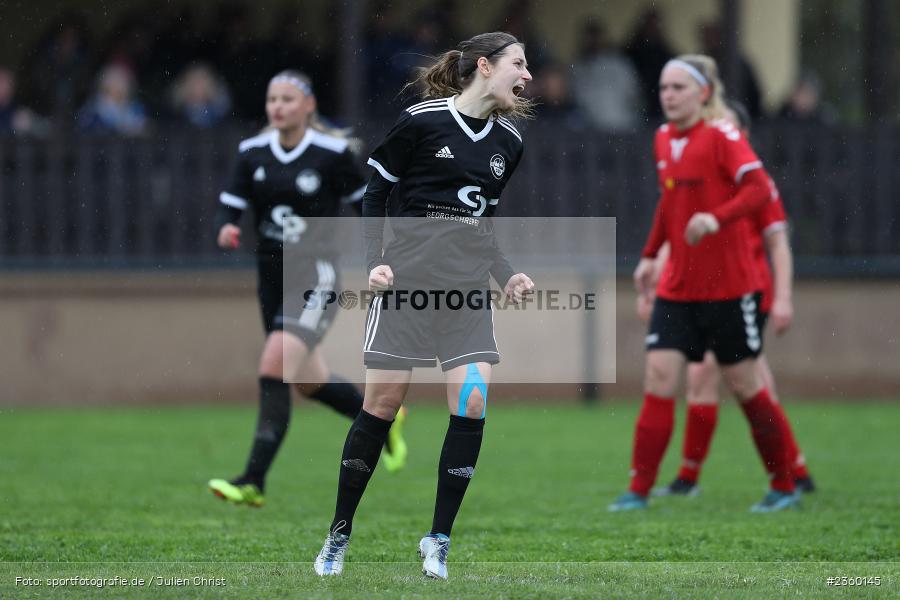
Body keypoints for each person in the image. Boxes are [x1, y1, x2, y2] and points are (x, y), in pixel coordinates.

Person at [313, 32, 535, 580]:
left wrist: (508, 275)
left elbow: (481, 227)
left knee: (474, 403)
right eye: (519, 64)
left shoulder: (509, 143)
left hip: (464, 296)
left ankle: (437, 540)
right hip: (405, 289)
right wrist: (374, 262)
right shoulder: (421, 121)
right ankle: (337, 538)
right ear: (484, 66)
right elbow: (374, 192)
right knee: (382, 406)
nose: (527, 75)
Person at [208, 70, 408, 509]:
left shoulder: (332, 154)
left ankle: (253, 480)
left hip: (315, 275)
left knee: (274, 364)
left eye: (286, 98)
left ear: (308, 106)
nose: (277, 106)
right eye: (271, 99)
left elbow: (365, 204)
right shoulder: (251, 152)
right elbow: (231, 202)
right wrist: (225, 227)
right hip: (270, 276)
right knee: (305, 381)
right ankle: (382, 418)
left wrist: (387, 252)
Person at [608, 55, 799, 514]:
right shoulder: (662, 138)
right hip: (679, 287)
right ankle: (638, 490)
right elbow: (668, 202)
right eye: (663, 88)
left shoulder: (723, 136)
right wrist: (651, 257)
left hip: (729, 290)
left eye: (678, 88)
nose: (668, 96)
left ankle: (785, 484)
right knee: (658, 376)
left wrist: (716, 217)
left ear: (704, 93)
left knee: (746, 385)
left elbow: (757, 189)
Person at [637, 100, 815, 497]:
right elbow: (676, 230)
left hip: (745, 293)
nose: (716, 131)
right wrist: (656, 270)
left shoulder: (755, 186)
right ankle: (694, 478)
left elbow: (778, 245)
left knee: (748, 384)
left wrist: (783, 298)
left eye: (727, 125)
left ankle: (790, 475)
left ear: (742, 135)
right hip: (702, 292)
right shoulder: (698, 178)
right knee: (719, 381)